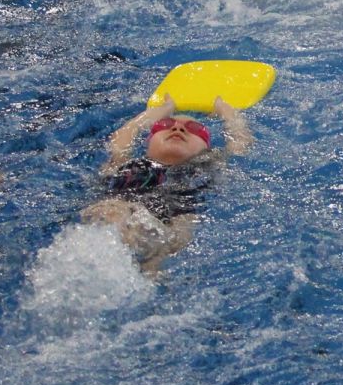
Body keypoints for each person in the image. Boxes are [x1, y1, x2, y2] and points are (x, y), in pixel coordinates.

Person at [83, 95, 251, 273]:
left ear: (206, 148)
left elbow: (241, 142)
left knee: (174, 240)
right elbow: (125, 133)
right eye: (165, 125)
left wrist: (225, 109)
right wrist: (165, 108)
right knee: (111, 212)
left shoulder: (210, 164)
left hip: (176, 218)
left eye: (194, 128)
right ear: (148, 143)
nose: (178, 127)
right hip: (120, 205)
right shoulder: (123, 162)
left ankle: (149, 274)